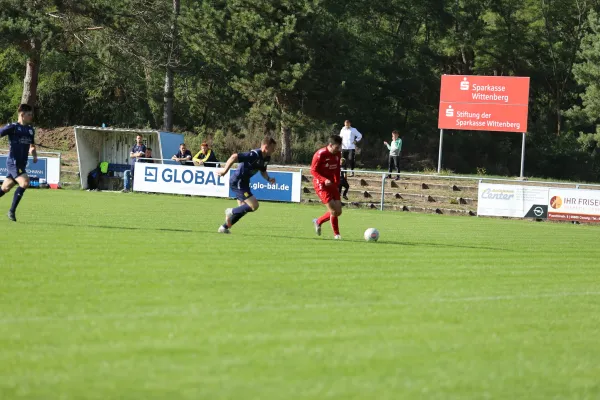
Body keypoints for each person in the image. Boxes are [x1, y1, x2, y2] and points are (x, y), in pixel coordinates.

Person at [217, 137, 277, 234]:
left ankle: (224, 228)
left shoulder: (267, 158)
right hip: (238, 181)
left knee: (242, 209)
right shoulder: (254, 154)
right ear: (266, 147)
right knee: (254, 205)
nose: (274, 150)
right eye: (273, 148)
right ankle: (230, 211)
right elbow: (234, 156)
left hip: (244, 182)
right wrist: (224, 171)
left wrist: (268, 179)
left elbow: (263, 170)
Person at [0, 104, 38, 222]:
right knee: (25, 182)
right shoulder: (13, 127)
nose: (31, 117)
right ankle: (11, 211)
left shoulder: (31, 130)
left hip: (22, 164)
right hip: (13, 163)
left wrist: (34, 153)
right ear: (22, 114)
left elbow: (32, 145)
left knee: (5, 188)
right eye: (29, 114)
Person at [311, 135, 344, 240]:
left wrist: (337, 182)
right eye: (337, 147)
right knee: (333, 210)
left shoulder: (338, 154)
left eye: (340, 147)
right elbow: (313, 171)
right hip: (321, 184)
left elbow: (337, 168)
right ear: (330, 145)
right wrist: (324, 180)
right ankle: (337, 234)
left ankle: (318, 221)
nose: (338, 149)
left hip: (332, 183)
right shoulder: (320, 154)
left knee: (338, 211)